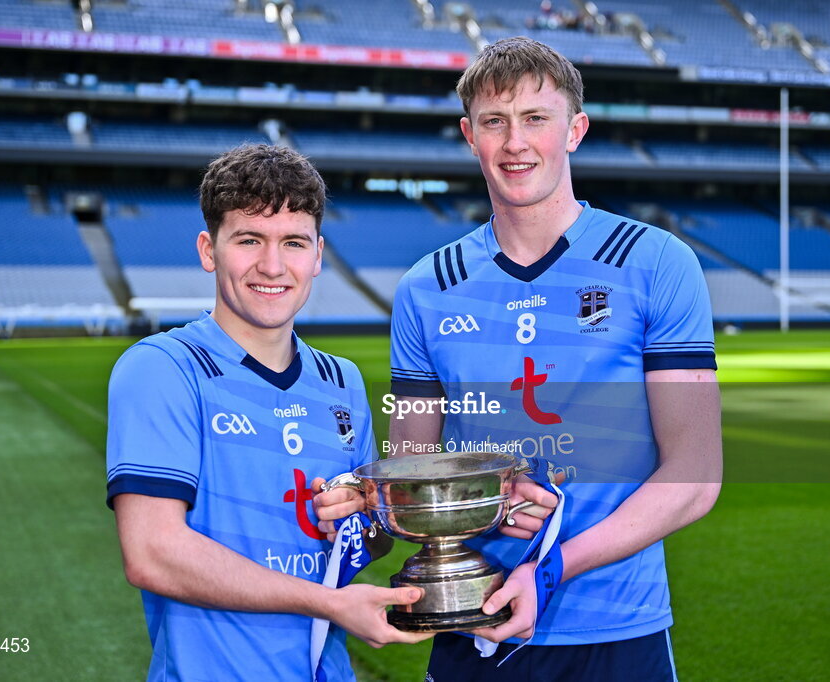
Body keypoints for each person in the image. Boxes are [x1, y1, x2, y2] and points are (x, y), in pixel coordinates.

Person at [389, 37, 722, 680]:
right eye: (495, 121)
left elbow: (696, 476)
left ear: (575, 130)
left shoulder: (656, 263)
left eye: (536, 118)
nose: (515, 142)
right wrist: (490, 501)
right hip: (472, 622)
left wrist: (552, 566)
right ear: (469, 135)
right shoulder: (425, 288)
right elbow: (413, 470)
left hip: (617, 630)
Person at [106, 143, 430, 681]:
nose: (273, 266)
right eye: (249, 239)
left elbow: (373, 537)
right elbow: (152, 552)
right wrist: (325, 603)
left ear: (319, 255)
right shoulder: (163, 369)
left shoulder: (341, 381)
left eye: (294, 242)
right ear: (209, 250)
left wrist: (355, 519)